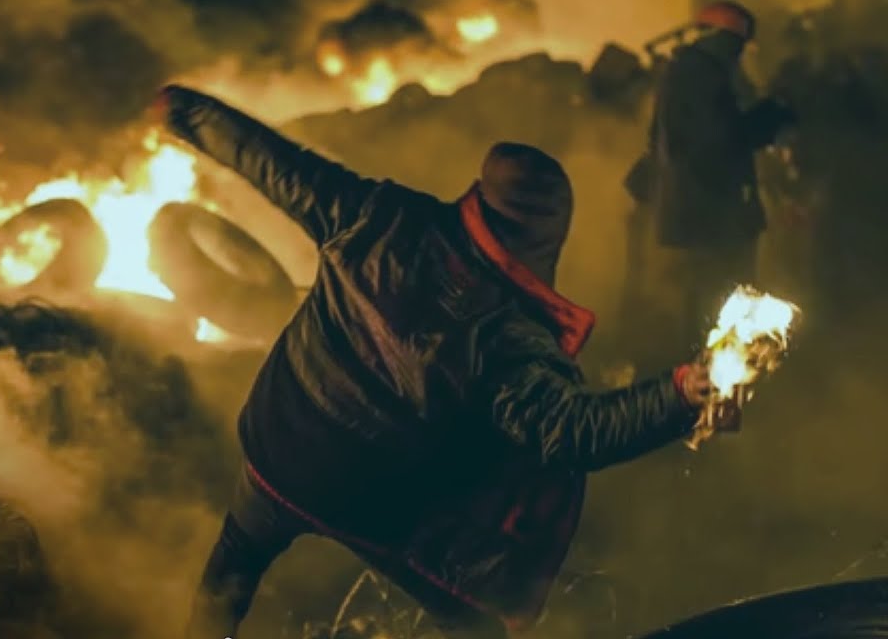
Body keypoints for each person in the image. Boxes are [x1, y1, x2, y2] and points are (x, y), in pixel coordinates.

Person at [147, 84, 722, 638]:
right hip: (371, 501)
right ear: (547, 236)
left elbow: (275, 164)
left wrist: (187, 112)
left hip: (279, 447)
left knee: (231, 568)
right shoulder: (508, 335)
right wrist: (677, 394)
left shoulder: (382, 214)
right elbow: (575, 432)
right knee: (474, 626)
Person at [647, 0, 795, 353]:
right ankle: (711, 369)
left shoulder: (687, 70)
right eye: (737, 43)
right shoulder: (699, 74)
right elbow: (720, 139)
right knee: (717, 298)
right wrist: (772, 113)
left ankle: (706, 364)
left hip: (703, 209)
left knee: (709, 297)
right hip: (713, 212)